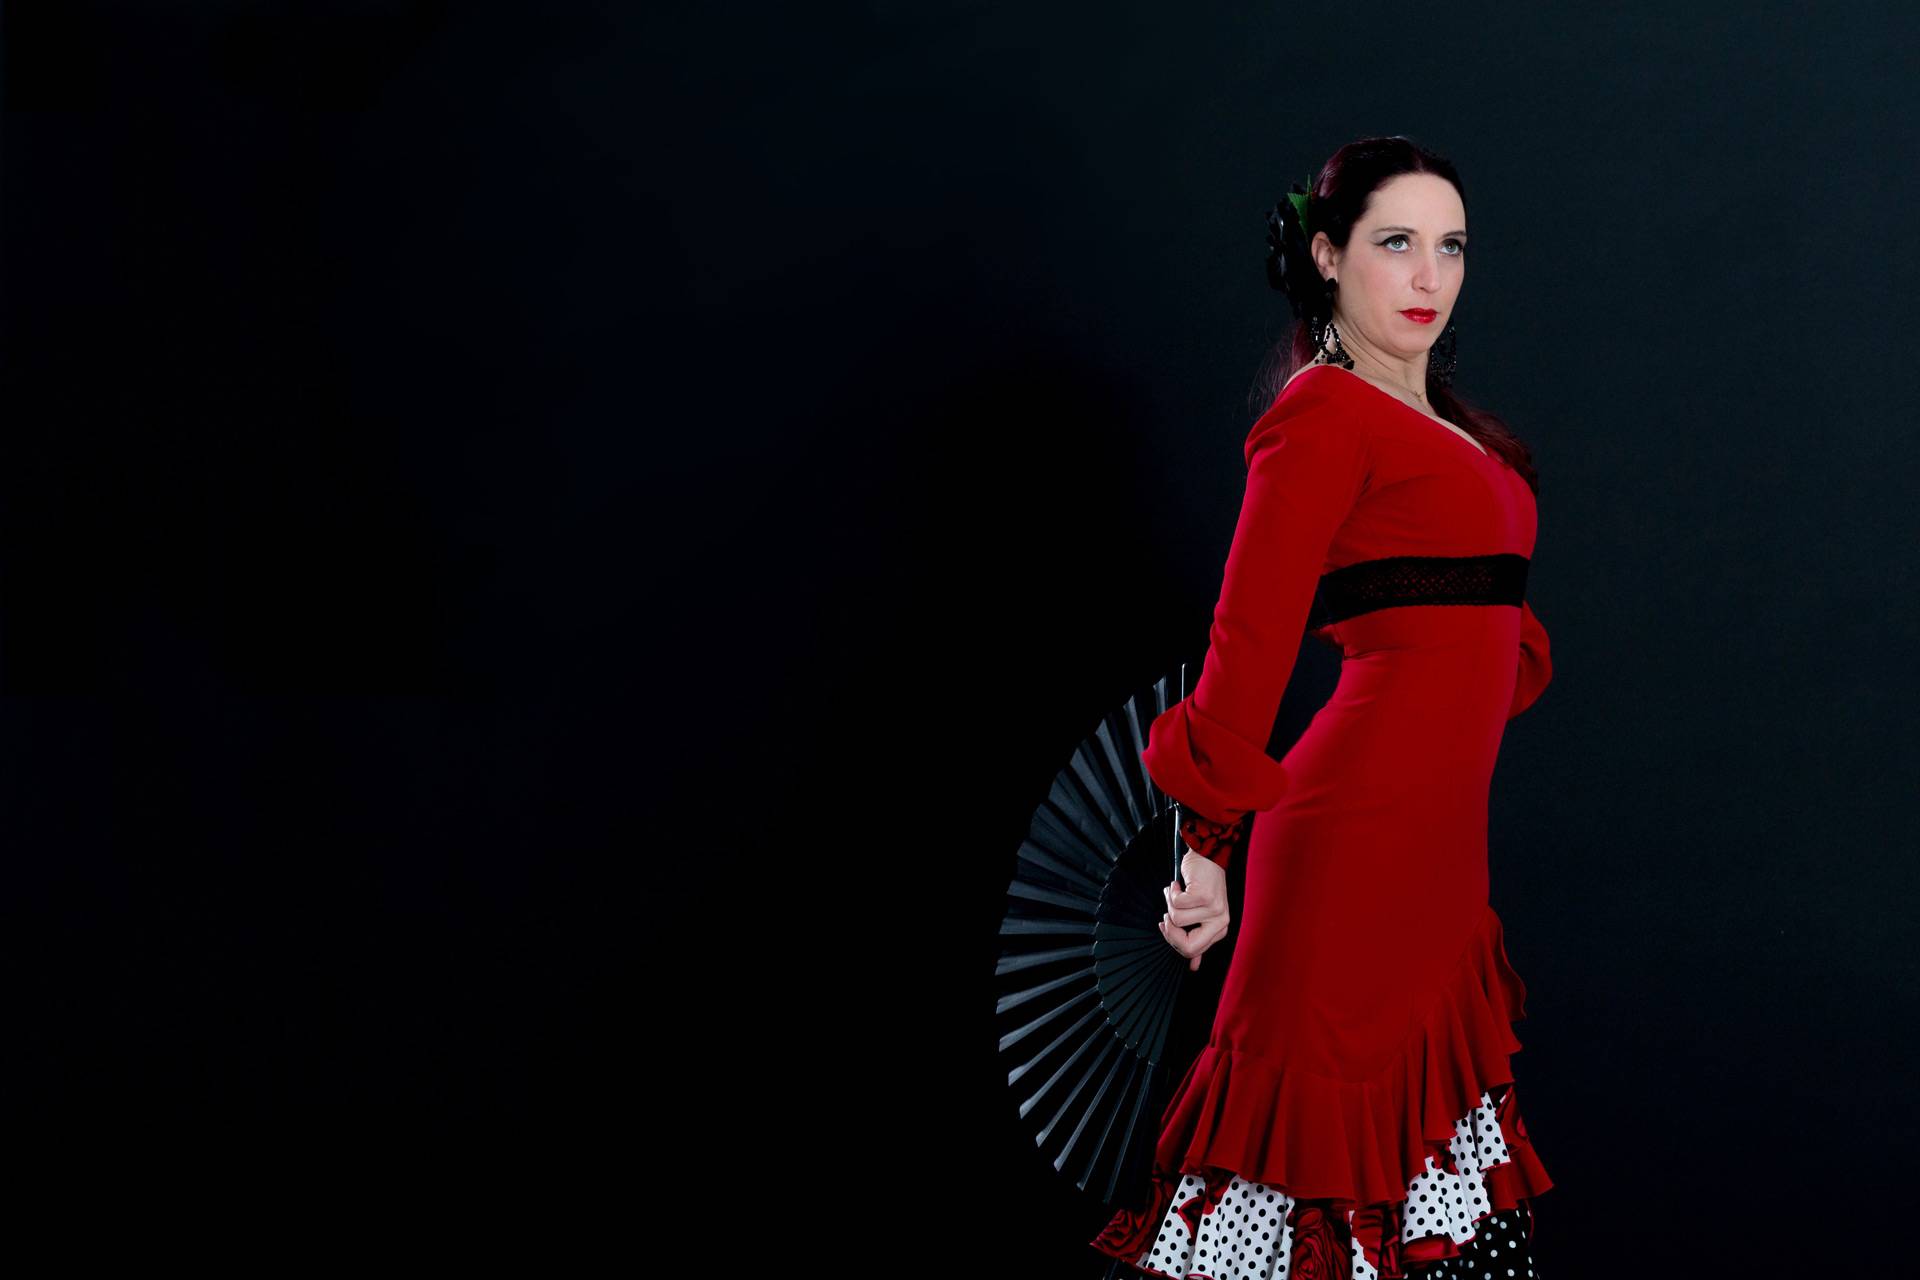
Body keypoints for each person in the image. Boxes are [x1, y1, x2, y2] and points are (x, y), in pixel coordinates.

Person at [1090, 137, 1556, 1280]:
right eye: (1397, 243)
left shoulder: (1446, 423)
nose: (1430, 276)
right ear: (1328, 255)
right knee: (1311, 1194)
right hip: (1346, 854)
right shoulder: (1321, 414)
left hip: (1440, 869)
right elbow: (1246, 643)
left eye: (1451, 246)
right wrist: (1205, 851)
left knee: (1424, 1206)